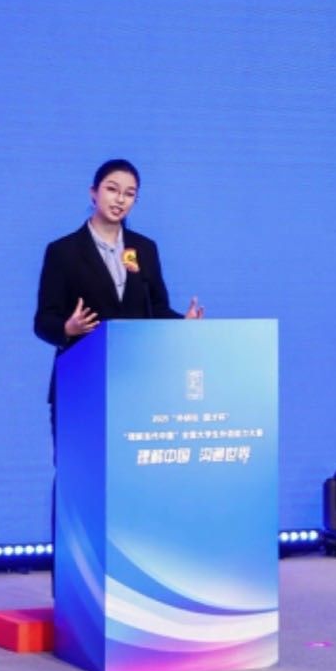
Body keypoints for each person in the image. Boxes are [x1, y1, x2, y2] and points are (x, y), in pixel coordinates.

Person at [33, 159, 203, 584]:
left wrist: (182, 323)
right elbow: (43, 321)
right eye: (112, 189)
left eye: (129, 193)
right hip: (81, 387)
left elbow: (153, 310)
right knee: (79, 483)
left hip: (134, 387)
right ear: (93, 192)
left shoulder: (143, 249)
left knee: (133, 484)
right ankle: (73, 584)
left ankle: (132, 583)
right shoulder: (63, 251)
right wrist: (67, 328)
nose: (120, 199)